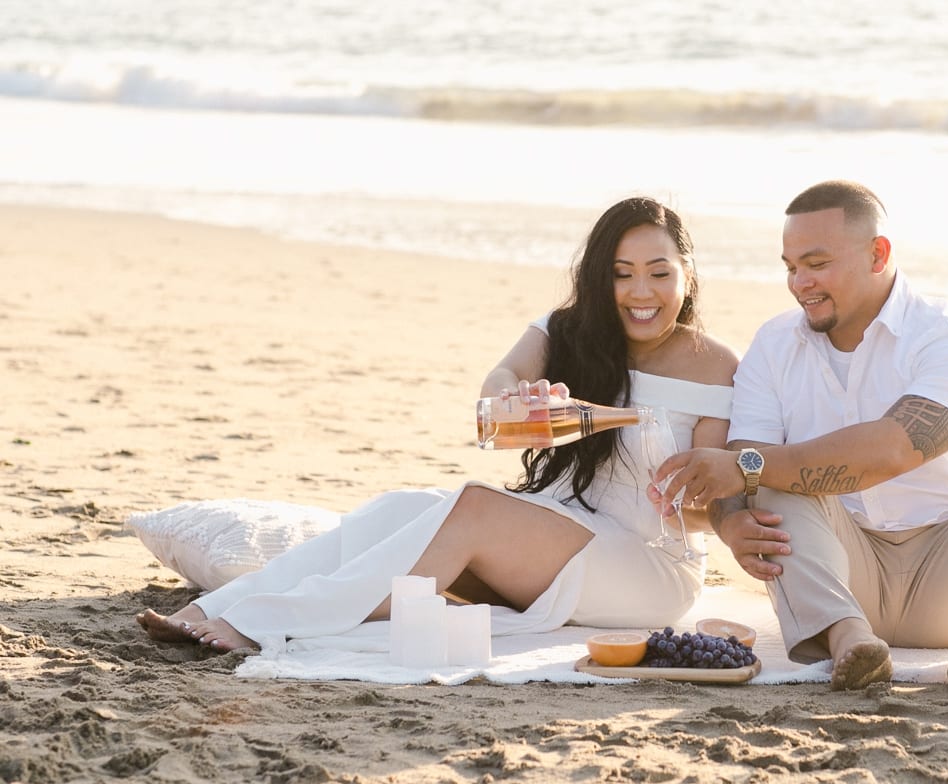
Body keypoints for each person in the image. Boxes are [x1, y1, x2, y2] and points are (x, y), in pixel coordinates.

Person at [138, 196, 737, 653]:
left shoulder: (716, 368)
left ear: (687, 273)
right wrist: (519, 400)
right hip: (568, 521)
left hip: (649, 565)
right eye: (621, 273)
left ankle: (262, 626)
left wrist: (683, 490)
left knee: (472, 508)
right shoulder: (570, 332)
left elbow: (706, 516)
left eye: (659, 272)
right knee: (398, 509)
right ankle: (216, 607)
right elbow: (497, 385)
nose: (640, 292)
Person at [653, 180, 948, 698]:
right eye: (790, 267)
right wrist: (731, 518)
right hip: (836, 573)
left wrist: (746, 469)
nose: (799, 282)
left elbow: (892, 449)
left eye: (817, 263)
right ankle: (849, 641)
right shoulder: (774, 344)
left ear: (878, 254)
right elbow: (744, 466)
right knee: (773, 472)